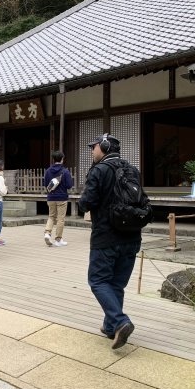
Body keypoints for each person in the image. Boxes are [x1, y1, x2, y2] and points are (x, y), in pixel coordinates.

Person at [78, 134, 142, 350]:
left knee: (97, 281)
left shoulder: (99, 170)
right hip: (132, 236)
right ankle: (110, 327)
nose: (91, 151)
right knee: (116, 284)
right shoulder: (132, 170)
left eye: (94, 147)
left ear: (104, 147)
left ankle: (120, 321)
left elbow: (86, 203)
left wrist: (83, 200)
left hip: (106, 236)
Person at [43, 150, 74, 247]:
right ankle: (58, 239)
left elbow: (46, 184)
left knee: (51, 216)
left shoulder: (48, 171)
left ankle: (47, 233)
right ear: (62, 159)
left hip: (51, 197)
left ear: (53, 159)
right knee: (60, 219)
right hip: (62, 197)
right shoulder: (65, 171)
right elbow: (69, 185)